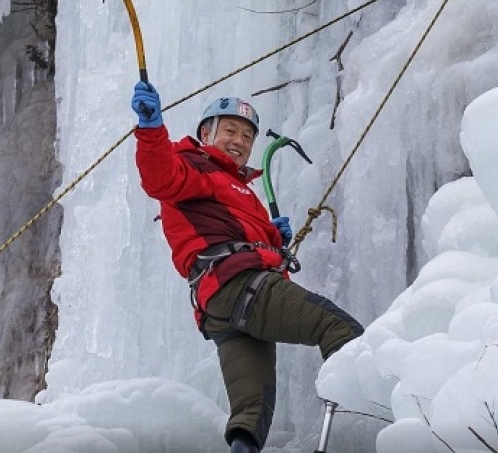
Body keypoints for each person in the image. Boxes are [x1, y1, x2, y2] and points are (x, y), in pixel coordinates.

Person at [131, 81, 364, 453]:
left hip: (221, 307)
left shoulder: (234, 187)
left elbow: (226, 229)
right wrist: (150, 129)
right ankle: (369, 428)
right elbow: (160, 175)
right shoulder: (193, 164)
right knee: (339, 329)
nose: (238, 141)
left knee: (250, 416)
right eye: (229, 131)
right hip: (240, 285)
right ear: (206, 133)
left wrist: (273, 238)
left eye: (246, 136)